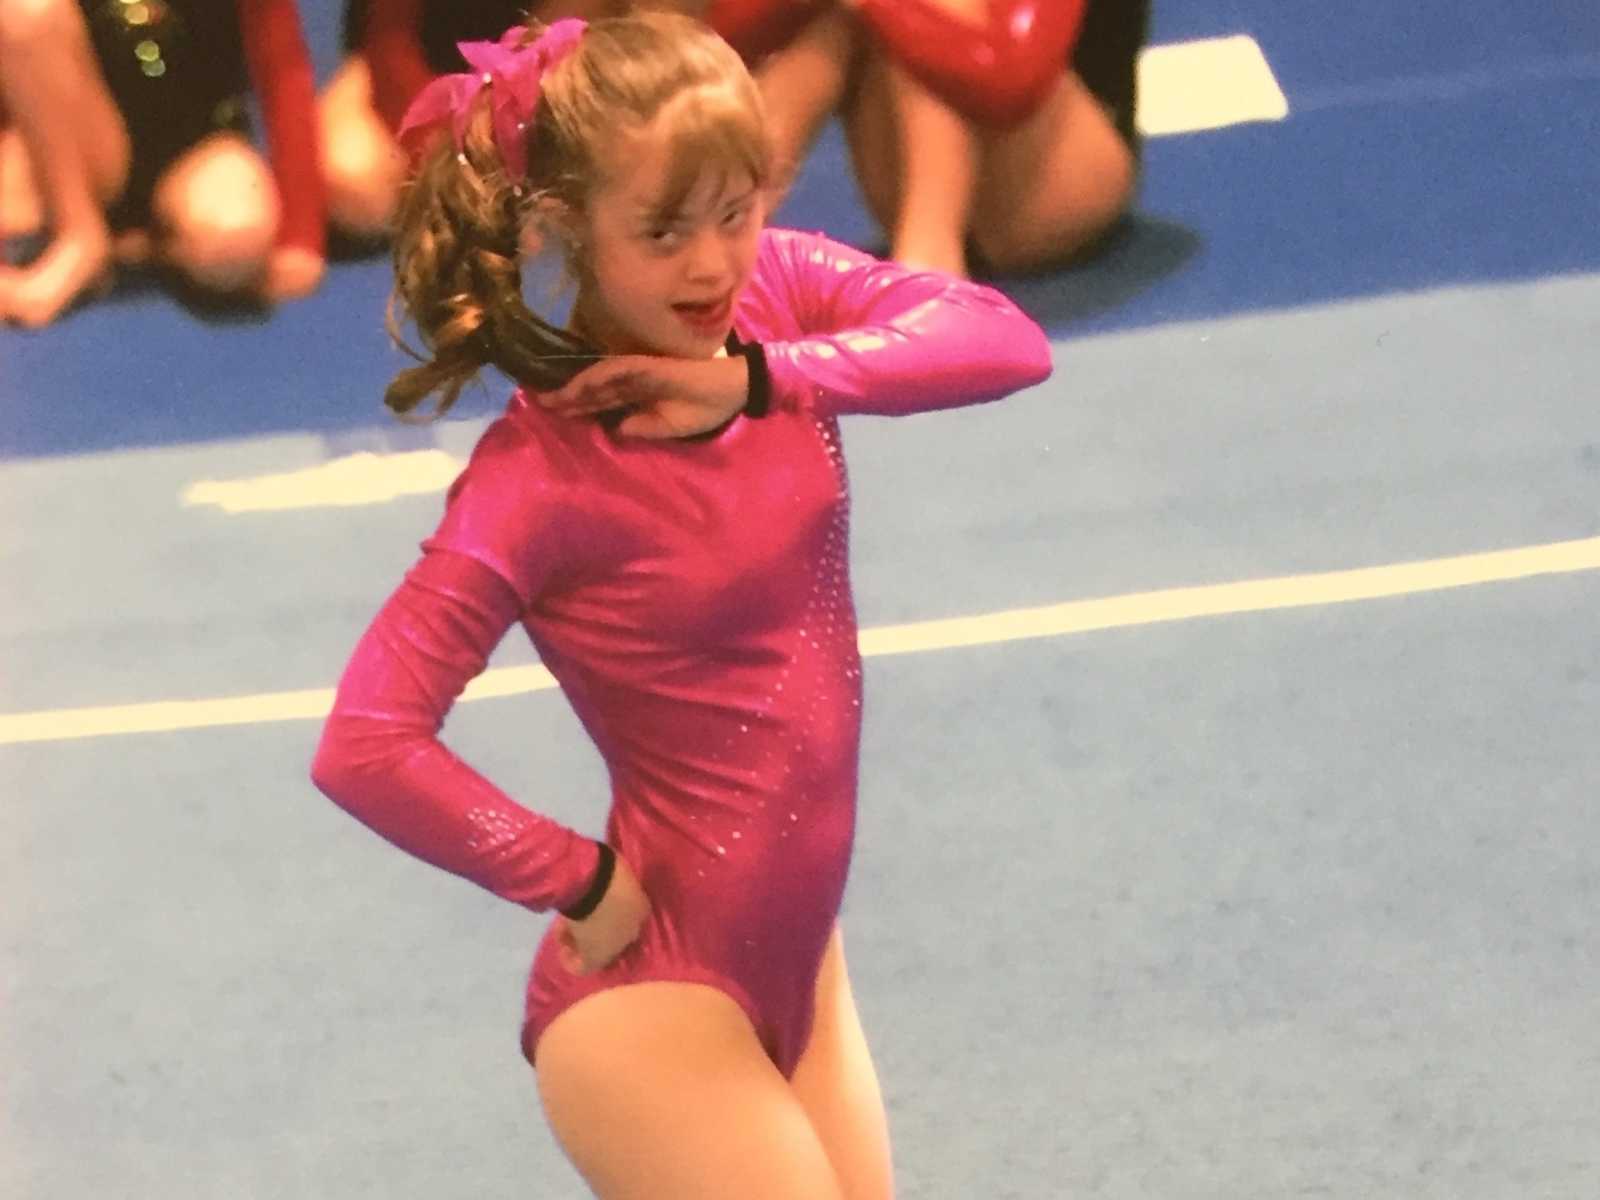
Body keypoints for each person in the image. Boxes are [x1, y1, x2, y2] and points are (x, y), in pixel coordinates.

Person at [309, 12, 1051, 1198]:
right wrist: (571, 875)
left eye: (735, 209)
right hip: (653, 1005)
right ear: (566, 231)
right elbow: (365, 742)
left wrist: (757, 378)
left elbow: (1004, 340)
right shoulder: (534, 480)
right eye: (661, 232)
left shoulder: (774, 301)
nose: (712, 264)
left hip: (802, 968)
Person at [0, 0, 325, 327]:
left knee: (234, 239)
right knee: (22, 8)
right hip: (81, 141)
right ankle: (80, 236)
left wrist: (301, 234)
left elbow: (282, 66)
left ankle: (135, 242)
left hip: (196, 138)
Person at [843, 0, 1151, 277]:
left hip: (1058, 182)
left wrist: (878, 5)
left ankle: (929, 259)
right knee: (823, 18)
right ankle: (792, 267)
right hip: (906, 180)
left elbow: (1014, 79)